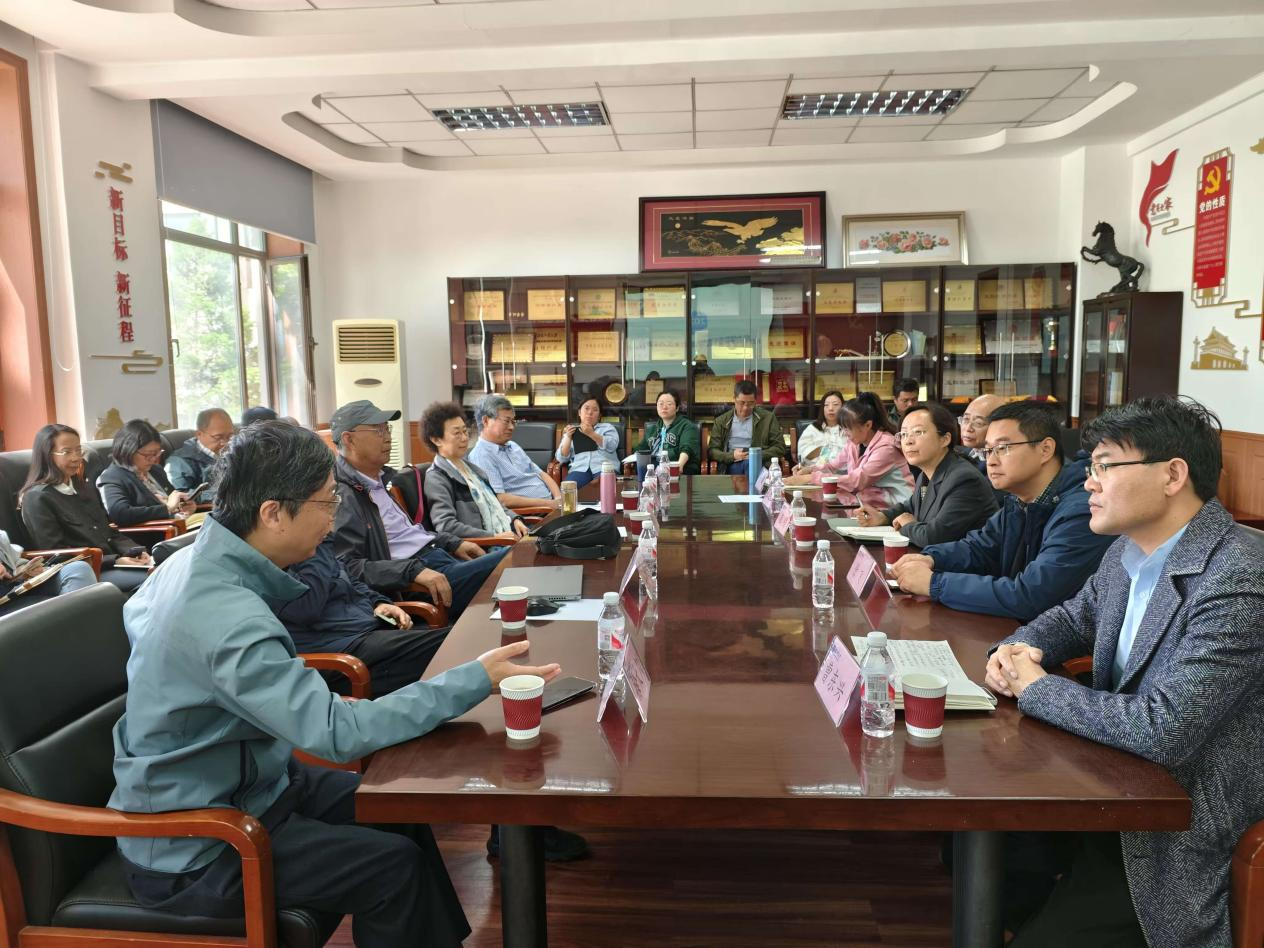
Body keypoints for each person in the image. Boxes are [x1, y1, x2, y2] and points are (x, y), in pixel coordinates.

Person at [109, 419, 561, 947]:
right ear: (272, 513)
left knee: (399, 806)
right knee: (391, 869)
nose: (334, 518)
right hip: (198, 842)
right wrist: (474, 678)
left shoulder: (192, 562)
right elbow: (337, 734)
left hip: (255, 786)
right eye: (327, 503)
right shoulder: (223, 613)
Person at [985, 397, 1264, 948]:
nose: (1088, 483)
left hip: (1177, 822)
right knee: (986, 848)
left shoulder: (1238, 575)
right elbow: (1073, 617)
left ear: (1172, 475)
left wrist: (1037, 688)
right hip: (1108, 781)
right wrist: (1017, 647)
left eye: (1105, 466)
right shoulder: (1126, 551)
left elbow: (1165, 729)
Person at [891, 402, 1113, 621]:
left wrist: (935, 584)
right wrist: (930, 559)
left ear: (1045, 449)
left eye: (1003, 448)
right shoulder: (1020, 501)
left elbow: (1031, 595)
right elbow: (979, 548)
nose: (991, 461)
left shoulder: (1082, 511)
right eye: (988, 450)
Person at [330, 400, 505, 622]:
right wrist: (410, 571)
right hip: (419, 582)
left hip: (437, 558)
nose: (388, 437)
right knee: (514, 557)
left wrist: (452, 542)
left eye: (387, 428)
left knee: (514, 576)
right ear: (349, 439)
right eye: (378, 430)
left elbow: (411, 533)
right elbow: (347, 566)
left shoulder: (377, 481)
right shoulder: (341, 495)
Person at [273, 536, 449, 697]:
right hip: (341, 656)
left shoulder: (313, 545)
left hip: (368, 631)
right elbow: (307, 607)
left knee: (454, 644)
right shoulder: (277, 557)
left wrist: (379, 602)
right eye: (326, 511)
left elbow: (351, 580)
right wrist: (318, 544)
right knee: (452, 646)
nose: (331, 519)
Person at [19, 424, 152, 593]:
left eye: (78, 450)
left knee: (164, 568)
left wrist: (134, 552)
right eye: (67, 452)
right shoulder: (37, 497)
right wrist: (114, 560)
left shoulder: (83, 487)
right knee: (154, 579)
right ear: (47, 455)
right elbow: (55, 553)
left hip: (114, 563)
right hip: (86, 572)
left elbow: (109, 531)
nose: (76, 458)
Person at [855, 402, 998, 546]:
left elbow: (934, 537)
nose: (908, 441)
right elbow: (911, 506)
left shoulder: (964, 479)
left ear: (944, 439)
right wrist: (882, 516)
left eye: (918, 432)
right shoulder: (927, 473)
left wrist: (908, 525)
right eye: (904, 434)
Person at [421, 401, 530, 540]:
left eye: (465, 431)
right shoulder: (437, 478)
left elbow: (495, 504)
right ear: (436, 440)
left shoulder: (472, 469)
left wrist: (515, 520)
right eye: (457, 433)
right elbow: (446, 526)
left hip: (505, 537)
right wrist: (494, 537)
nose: (464, 438)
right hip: (484, 546)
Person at [785, 392, 913, 508]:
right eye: (843, 428)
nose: (845, 433)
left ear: (868, 425)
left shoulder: (886, 448)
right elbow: (832, 466)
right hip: (867, 504)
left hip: (897, 509)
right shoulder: (854, 443)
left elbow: (856, 481)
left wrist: (810, 478)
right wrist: (810, 470)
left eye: (848, 429)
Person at [466, 393, 562, 508]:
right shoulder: (482, 456)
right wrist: (549, 504)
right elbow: (501, 500)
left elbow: (541, 473)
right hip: (531, 514)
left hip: (551, 507)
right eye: (506, 421)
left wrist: (558, 499)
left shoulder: (513, 446)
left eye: (513, 421)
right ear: (486, 421)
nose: (512, 427)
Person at [97, 419, 196, 526]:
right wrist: (167, 508)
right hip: (157, 532)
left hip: (180, 525)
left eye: (157, 453)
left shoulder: (155, 470)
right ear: (128, 451)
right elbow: (120, 514)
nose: (153, 459)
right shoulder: (112, 477)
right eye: (148, 454)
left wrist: (184, 506)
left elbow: (173, 499)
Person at [0, 527, 97, 618]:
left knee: (78, 568)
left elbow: (16, 563)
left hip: (18, 588)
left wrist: (25, 571)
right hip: (4, 604)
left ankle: (75, 621)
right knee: (63, 608)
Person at [706, 379, 785, 478]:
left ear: (755, 401)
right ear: (734, 399)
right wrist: (732, 456)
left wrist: (756, 455)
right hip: (732, 463)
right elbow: (712, 451)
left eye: (750, 403)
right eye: (741, 403)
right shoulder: (721, 421)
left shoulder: (768, 418)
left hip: (759, 462)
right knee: (745, 467)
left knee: (750, 465)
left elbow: (780, 447)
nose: (745, 408)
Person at [165, 407, 233, 504]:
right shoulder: (178, 462)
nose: (225, 443)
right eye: (218, 437)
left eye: (230, 436)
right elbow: (182, 497)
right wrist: (229, 493)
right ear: (199, 434)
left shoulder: (233, 452)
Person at [631, 389, 701, 477]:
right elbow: (641, 449)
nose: (664, 407)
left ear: (677, 408)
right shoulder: (653, 429)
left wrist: (679, 466)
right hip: (653, 469)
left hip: (677, 469)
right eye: (661, 404)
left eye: (669, 404)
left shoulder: (687, 426)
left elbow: (686, 448)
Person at [555, 396, 621, 488]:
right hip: (579, 469)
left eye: (595, 410)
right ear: (579, 412)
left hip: (604, 468)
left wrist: (592, 434)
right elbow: (561, 459)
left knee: (603, 486)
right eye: (586, 408)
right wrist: (568, 437)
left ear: (599, 415)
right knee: (568, 488)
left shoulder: (607, 427)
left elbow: (612, 446)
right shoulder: (572, 431)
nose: (590, 412)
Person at [796, 389, 847, 471]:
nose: (831, 408)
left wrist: (822, 451)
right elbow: (803, 456)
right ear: (822, 408)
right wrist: (823, 449)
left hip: (842, 473)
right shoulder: (812, 429)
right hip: (812, 473)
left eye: (835, 404)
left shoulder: (849, 429)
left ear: (843, 407)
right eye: (826, 405)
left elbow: (852, 456)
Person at [958, 393, 1005, 475]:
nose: (968, 428)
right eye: (966, 419)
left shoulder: (1003, 463)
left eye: (978, 423)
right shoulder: (958, 454)